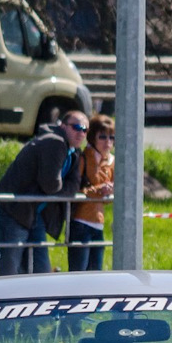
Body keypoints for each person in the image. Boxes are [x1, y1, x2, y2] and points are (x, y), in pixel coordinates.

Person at [0, 110, 86, 274]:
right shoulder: (54, 142)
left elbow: (74, 184)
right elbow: (50, 184)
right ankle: (2, 299)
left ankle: (32, 298)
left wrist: (60, 189)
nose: (81, 133)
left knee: (40, 270)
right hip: (13, 210)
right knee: (10, 268)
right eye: (76, 127)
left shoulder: (74, 151)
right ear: (63, 126)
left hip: (34, 213)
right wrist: (61, 190)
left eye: (85, 130)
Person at [70, 114, 115, 271]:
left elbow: (110, 197)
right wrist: (98, 190)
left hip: (98, 224)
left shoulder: (112, 161)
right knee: (78, 274)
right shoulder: (83, 158)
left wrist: (110, 191)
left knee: (96, 275)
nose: (108, 142)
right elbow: (73, 190)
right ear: (92, 138)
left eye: (112, 138)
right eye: (102, 137)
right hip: (80, 222)